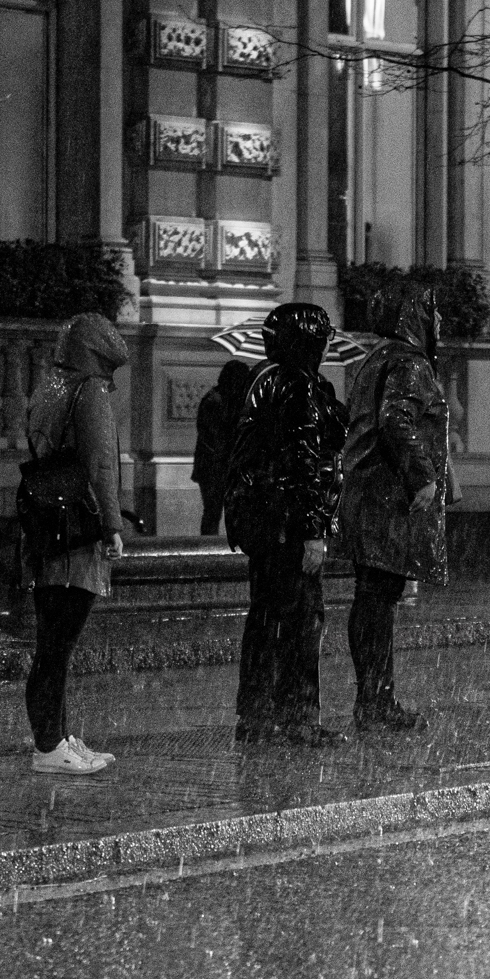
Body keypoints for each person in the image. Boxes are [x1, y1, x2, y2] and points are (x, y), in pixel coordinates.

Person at [223, 302, 350, 746]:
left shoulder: (267, 379)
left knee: (267, 617)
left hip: (267, 520)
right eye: (324, 336)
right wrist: (313, 531)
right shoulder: (297, 385)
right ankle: (297, 717)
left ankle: (258, 715)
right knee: (300, 621)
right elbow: (303, 461)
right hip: (288, 524)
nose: (328, 344)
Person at [333, 287, 454, 733]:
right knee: (378, 599)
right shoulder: (410, 363)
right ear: (414, 317)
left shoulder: (377, 358)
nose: (438, 323)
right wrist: (422, 476)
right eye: (432, 313)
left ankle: (374, 698)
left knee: (372, 597)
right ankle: (376, 702)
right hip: (386, 497)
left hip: (368, 493)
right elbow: (395, 420)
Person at [21, 312, 130, 774]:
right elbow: (101, 464)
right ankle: (49, 746)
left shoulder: (51, 387)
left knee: (52, 640)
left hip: (48, 521)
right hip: (78, 528)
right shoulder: (90, 392)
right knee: (57, 646)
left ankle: (58, 738)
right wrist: (111, 525)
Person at [192, 358, 257, 537]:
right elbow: (217, 436)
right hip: (215, 466)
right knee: (214, 512)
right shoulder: (216, 401)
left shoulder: (222, 399)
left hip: (217, 465)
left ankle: (215, 546)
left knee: (216, 512)